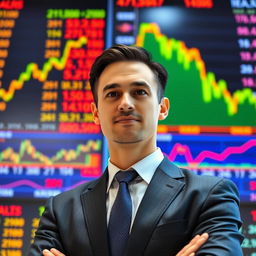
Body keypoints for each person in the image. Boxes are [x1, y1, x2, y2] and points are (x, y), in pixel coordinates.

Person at [28, 45, 244, 256]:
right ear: (95, 113)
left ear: (163, 108)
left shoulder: (210, 196)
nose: (125, 103)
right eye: (112, 94)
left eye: (139, 92)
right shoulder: (61, 209)